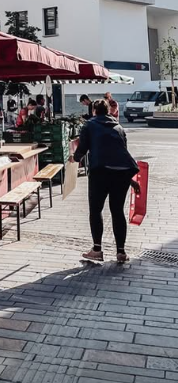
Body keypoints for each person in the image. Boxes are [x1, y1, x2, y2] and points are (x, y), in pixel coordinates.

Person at [71, 99, 140, 264]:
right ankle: (121, 252)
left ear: (94, 111)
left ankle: (97, 249)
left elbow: (82, 148)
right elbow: (122, 153)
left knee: (96, 210)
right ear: (108, 110)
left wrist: (75, 158)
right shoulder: (118, 127)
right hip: (122, 173)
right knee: (117, 211)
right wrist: (131, 180)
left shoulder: (89, 125)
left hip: (100, 172)